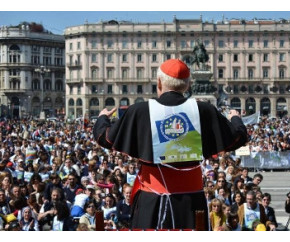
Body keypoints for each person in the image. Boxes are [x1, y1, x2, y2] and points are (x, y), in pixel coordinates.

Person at [93, 59, 248, 230]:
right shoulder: (204, 110)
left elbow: (105, 138)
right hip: (191, 199)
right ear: (188, 85)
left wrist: (102, 118)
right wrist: (235, 118)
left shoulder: (140, 110)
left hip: (151, 199)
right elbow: (238, 138)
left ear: (159, 82)